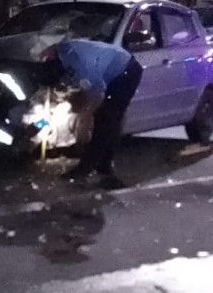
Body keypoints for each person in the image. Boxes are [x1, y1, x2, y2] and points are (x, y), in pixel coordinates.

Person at [46, 34, 144, 187]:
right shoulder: (62, 52)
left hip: (126, 73)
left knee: (106, 120)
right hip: (112, 71)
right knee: (108, 121)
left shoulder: (80, 66)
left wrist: (85, 117)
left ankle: (87, 169)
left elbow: (97, 91)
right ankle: (103, 166)